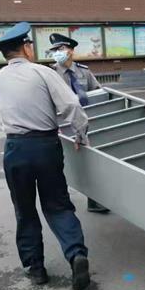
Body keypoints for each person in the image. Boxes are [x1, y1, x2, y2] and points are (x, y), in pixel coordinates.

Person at [0, 22, 91, 290]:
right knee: (58, 204)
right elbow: (71, 105)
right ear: (25, 47)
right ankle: (76, 254)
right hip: (46, 146)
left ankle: (36, 268)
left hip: (15, 148)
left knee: (24, 210)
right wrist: (81, 134)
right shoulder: (43, 72)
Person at [48, 32, 109, 214]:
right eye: (54, 50)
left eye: (61, 48)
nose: (57, 53)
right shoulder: (50, 74)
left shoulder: (84, 71)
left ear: (71, 51)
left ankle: (94, 200)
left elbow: (98, 94)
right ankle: (62, 201)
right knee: (61, 162)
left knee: (91, 160)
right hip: (62, 124)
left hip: (85, 122)